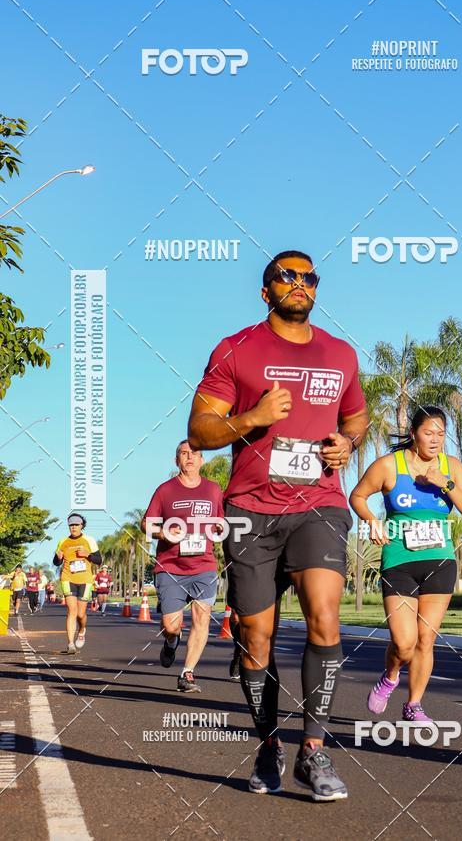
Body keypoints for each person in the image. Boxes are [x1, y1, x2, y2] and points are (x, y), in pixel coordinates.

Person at [188, 250, 368, 800]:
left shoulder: (341, 354)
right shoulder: (235, 349)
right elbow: (199, 429)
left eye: (308, 277)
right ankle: (269, 743)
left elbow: (356, 416)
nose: (300, 284)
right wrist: (253, 418)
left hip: (320, 504)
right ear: (265, 291)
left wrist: (347, 443)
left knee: (325, 619)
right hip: (250, 508)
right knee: (255, 637)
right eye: (287, 276)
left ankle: (314, 751)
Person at [349, 407, 462, 721]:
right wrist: (371, 522)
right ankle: (391, 675)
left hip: (439, 561)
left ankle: (414, 705)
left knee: (426, 638)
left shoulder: (452, 467)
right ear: (413, 434)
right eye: (428, 433)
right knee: (404, 643)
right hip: (399, 561)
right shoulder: (389, 466)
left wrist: (443, 483)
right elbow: (357, 496)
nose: (435, 440)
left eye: (440, 434)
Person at [141, 440, 223, 693]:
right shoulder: (165, 490)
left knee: (201, 620)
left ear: (202, 460)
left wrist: (220, 526)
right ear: (176, 460)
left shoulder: (213, 489)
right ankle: (172, 640)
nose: (189, 457)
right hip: (170, 567)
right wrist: (163, 532)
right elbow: (146, 524)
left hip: (204, 565)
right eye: (184, 454)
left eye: (195, 454)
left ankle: (187, 673)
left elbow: (221, 519)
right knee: (171, 625)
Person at [53, 514, 102, 654]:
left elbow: (99, 560)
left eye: (76, 525)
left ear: (82, 526)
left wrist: (88, 554)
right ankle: (70, 644)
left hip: (85, 580)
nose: (73, 527)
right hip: (68, 578)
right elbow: (56, 562)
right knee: (71, 611)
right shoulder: (63, 541)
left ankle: (81, 630)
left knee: (81, 614)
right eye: (71, 525)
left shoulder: (89, 540)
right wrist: (58, 558)